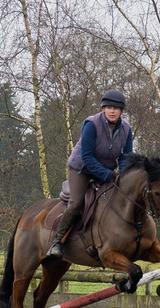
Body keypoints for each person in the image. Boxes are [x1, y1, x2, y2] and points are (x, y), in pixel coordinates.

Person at [47, 89, 134, 259]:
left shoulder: (126, 129)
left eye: (116, 108)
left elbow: (126, 156)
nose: (112, 111)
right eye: (108, 107)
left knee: (113, 200)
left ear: (121, 111)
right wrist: (107, 174)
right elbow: (87, 156)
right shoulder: (92, 124)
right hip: (81, 168)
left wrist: (123, 174)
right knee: (77, 202)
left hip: (106, 171)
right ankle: (57, 242)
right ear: (103, 108)